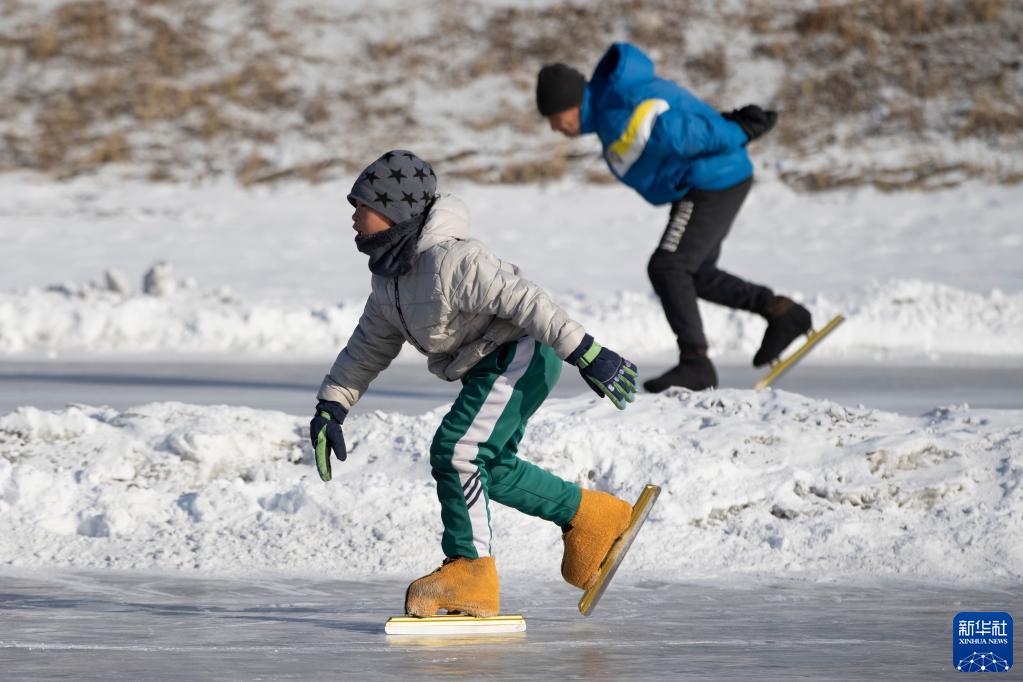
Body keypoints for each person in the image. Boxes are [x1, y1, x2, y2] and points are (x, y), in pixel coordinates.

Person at [310, 150, 641, 618]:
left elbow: (528, 301)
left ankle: (470, 572)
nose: (352, 217)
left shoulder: (455, 260)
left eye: (359, 205)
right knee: (489, 465)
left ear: (391, 209)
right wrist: (332, 406)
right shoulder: (390, 282)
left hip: (522, 351)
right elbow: (365, 349)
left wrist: (585, 351)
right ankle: (591, 516)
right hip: (490, 362)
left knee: (457, 451)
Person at [536, 43, 813, 392]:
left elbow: (679, 133)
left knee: (669, 266)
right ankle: (782, 313)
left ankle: (696, 363)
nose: (552, 127)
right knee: (693, 272)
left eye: (552, 116)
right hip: (707, 181)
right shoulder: (610, 110)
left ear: (569, 105)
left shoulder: (616, 107)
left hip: (713, 180)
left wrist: (739, 131)